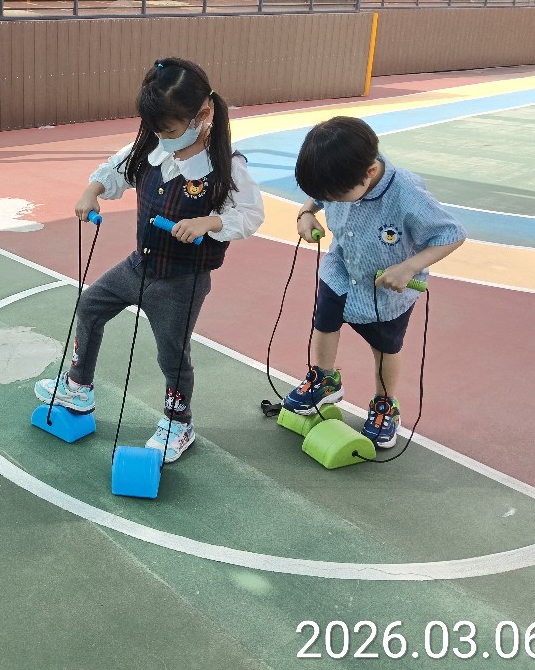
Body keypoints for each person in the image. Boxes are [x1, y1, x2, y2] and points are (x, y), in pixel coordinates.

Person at [35, 58, 264, 463]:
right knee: (90, 306)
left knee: (171, 354)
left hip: (181, 281)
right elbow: (114, 171)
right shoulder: (151, 148)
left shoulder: (226, 167)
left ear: (203, 115)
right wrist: (92, 191)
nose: (162, 137)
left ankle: (179, 423)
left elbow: (250, 215)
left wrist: (209, 221)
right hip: (138, 267)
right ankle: (79, 388)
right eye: (156, 129)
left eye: (170, 130)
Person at [285, 115, 466, 448]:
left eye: (337, 195)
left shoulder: (407, 193)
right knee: (324, 323)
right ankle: (324, 378)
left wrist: (410, 267)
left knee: (385, 347)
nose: (331, 200)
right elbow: (320, 195)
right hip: (341, 270)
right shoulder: (340, 175)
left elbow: (452, 234)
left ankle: (385, 404)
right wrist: (306, 212)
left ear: (369, 172)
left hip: (386, 289)